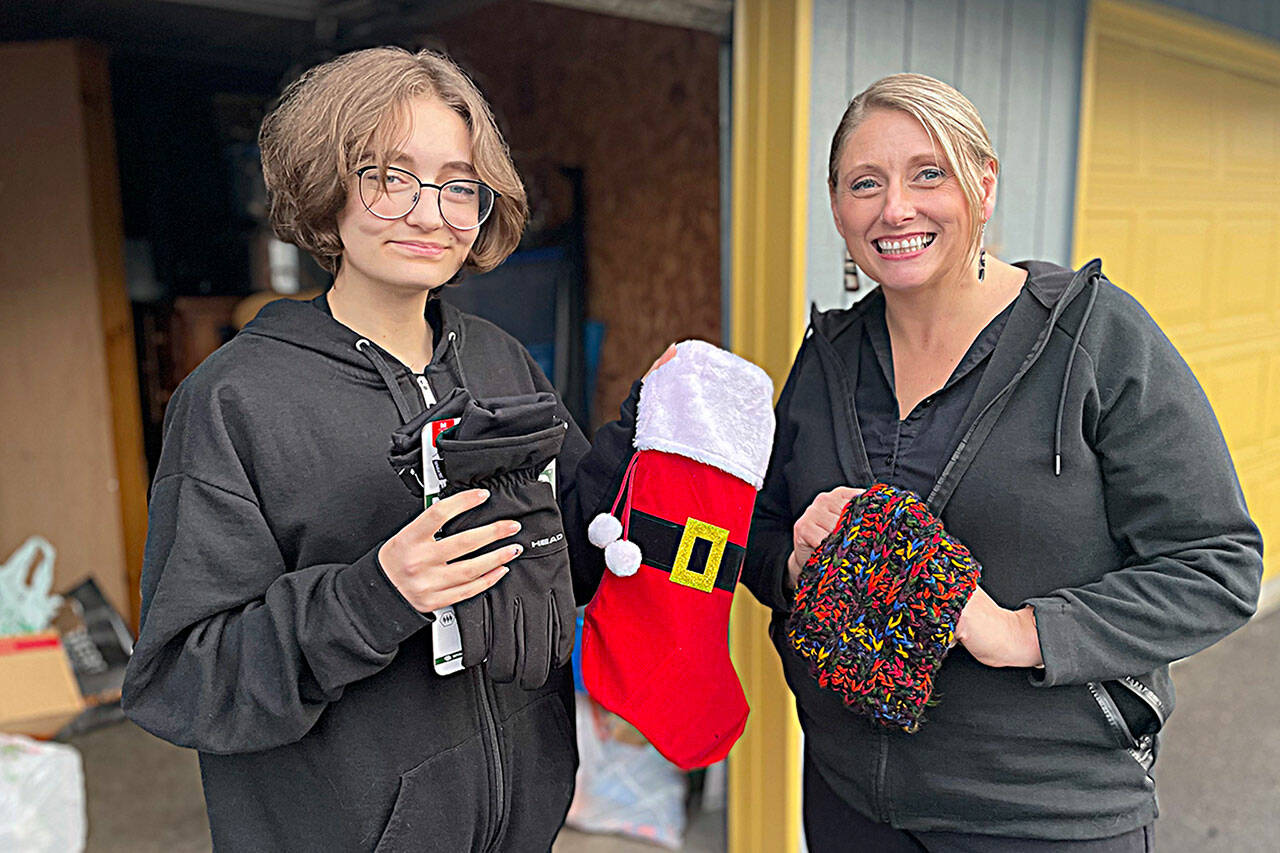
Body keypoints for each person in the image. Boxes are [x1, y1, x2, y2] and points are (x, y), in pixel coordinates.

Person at [122, 47, 650, 852]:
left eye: (457, 183)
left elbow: (568, 549)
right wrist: (373, 596)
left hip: (520, 827)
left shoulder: (500, 361)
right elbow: (183, 680)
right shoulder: (236, 401)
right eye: (388, 176)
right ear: (327, 188)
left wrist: (651, 443)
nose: (430, 213)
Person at [742, 73, 1263, 852]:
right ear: (838, 208)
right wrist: (792, 557)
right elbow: (758, 535)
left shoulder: (1093, 337)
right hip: (850, 800)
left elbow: (1217, 563)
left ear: (983, 186)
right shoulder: (828, 358)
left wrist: (1022, 631)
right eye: (865, 183)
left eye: (929, 173)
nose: (896, 208)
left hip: (1041, 815)